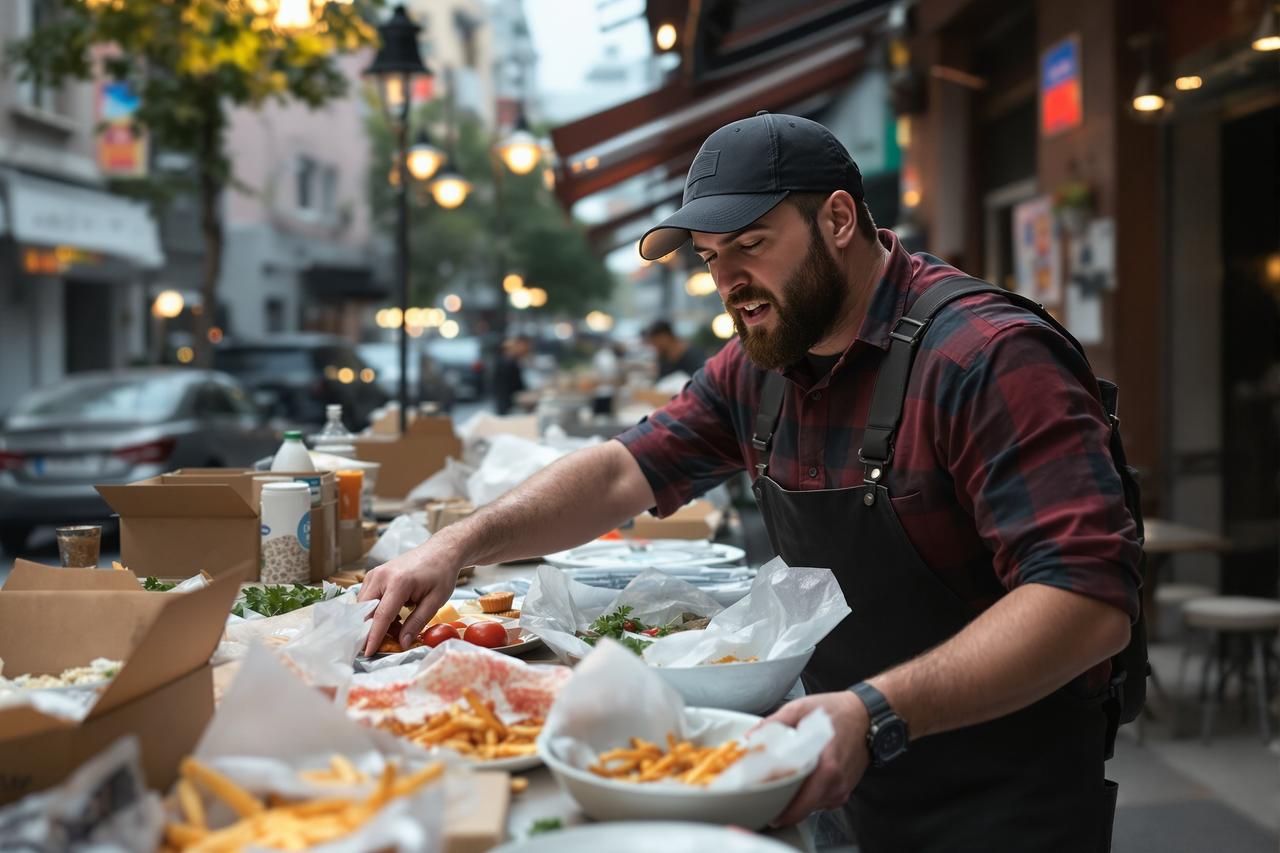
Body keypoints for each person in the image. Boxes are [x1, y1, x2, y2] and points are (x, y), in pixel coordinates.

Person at [359, 112, 1141, 851]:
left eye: (751, 245)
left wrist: (875, 712)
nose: (728, 281)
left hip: (1002, 801)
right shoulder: (761, 364)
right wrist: (457, 543)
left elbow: (1088, 601)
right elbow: (621, 471)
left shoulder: (986, 357)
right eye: (710, 259)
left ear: (838, 220)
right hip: (841, 772)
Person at [642, 319, 706, 379]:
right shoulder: (663, 355)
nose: (655, 346)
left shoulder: (693, 354)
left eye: (656, 341)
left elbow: (702, 377)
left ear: (665, 337)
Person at [490, 335, 530, 415]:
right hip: (507, 400)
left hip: (507, 399)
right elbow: (515, 384)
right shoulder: (507, 362)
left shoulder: (507, 361)